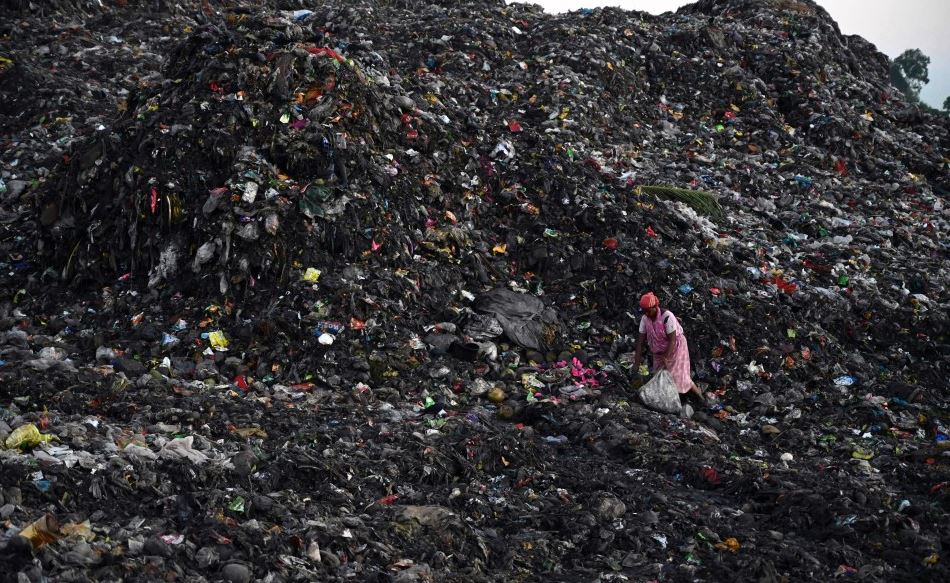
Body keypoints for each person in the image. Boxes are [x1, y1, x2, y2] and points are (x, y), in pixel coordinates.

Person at [632, 292, 705, 403]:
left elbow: (672, 340)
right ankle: (666, 400)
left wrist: (667, 357)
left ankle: (699, 397)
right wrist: (636, 364)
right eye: (644, 311)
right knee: (658, 376)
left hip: (676, 348)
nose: (647, 313)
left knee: (678, 376)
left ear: (655, 307)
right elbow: (640, 342)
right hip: (658, 351)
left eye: (648, 310)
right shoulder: (644, 319)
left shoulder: (666, 317)